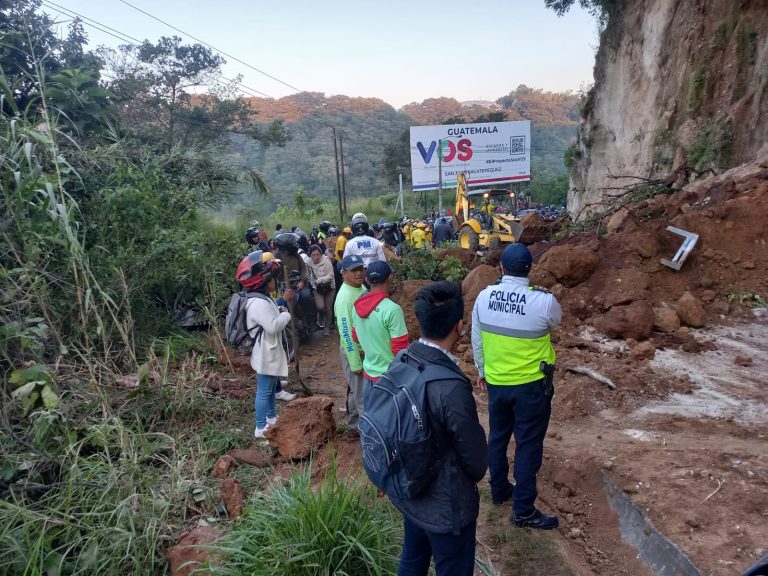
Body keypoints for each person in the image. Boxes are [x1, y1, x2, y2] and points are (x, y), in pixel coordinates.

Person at [390, 281, 487, 576]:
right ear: (459, 326)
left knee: (413, 559)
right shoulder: (451, 386)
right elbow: (475, 461)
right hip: (445, 504)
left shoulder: (402, 359)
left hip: (410, 487)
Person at [471, 243, 563, 530]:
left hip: (497, 384)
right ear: (529, 269)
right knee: (528, 445)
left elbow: (477, 339)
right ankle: (523, 510)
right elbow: (555, 324)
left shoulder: (483, 298)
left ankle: (499, 490)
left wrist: (482, 371)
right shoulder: (544, 302)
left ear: (501, 268)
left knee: (498, 437)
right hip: (531, 388)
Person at [235, 250, 294, 439]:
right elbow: (273, 325)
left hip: (267, 351)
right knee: (264, 392)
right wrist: (286, 314)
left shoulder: (261, 298)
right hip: (266, 353)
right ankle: (260, 428)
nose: (274, 282)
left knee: (268, 390)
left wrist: (280, 308)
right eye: (272, 279)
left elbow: (271, 313)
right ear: (262, 281)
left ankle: (271, 418)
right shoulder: (257, 303)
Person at [351, 261, 408, 390]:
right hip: (390, 377)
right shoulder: (392, 310)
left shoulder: (356, 307)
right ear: (390, 278)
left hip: (369, 373)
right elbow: (400, 348)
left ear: (367, 279)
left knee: (371, 410)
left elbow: (355, 337)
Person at [334, 255, 368, 439]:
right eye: (354, 270)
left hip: (363, 350)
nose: (359, 273)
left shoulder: (360, 288)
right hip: (352, 351)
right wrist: (355, 363)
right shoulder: (345, 298)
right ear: (343, 273)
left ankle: (354, 427)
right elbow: (346, 333)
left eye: (361, 268)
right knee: (362, 394)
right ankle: (370, 437)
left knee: (357, 390)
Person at [307, 244, 335, 336]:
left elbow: (330, 275)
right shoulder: (308, 262)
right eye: (313, 255)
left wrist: (319, 280)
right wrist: (313, 283)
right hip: (317, 288)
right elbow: (309, 275)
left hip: (329, 286)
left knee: (328, 307)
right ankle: (321, 316)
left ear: (321, 254)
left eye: (318, 254)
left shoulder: (326, 260)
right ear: (310, 255)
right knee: (320, 306)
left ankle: (327, 327)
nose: (316, 257)